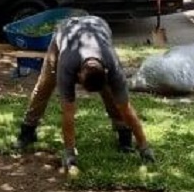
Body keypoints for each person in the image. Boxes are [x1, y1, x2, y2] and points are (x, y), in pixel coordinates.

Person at [15, 15, 155, 172]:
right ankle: (27, 130)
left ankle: (124, 136)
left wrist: (144, 146)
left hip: (98, 26)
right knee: (44, 85)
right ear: (78, 75)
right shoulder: (66, 64)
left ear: (106, 72)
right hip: (66, 32)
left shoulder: (114, 67)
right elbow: (68, 112)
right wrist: (69, 152)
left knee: (111, 94)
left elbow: (126, 108)